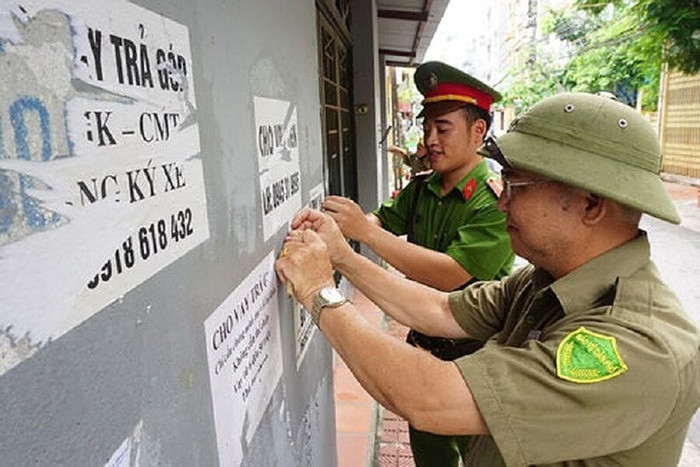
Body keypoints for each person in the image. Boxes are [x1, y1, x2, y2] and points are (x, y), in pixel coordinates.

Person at [276, 92, 700, 466]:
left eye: (516, 187)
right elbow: (440, 308)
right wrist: (342, 256)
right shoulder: (545, 282)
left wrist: (318, 292)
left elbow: (429, 398)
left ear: (590, 205)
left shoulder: (639, 347)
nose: (501, 205)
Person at [321, 61, 515, 465]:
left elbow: (450, 274)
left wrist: (366, 234)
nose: (430, 140)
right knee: (429, 452)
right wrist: (341, 228)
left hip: (475, 358)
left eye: (443, 129)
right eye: (427, 128)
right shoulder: (423, 187)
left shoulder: (494, 199)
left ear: (478, 131)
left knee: (482, 456)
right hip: (424, 347)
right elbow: (382, 218)